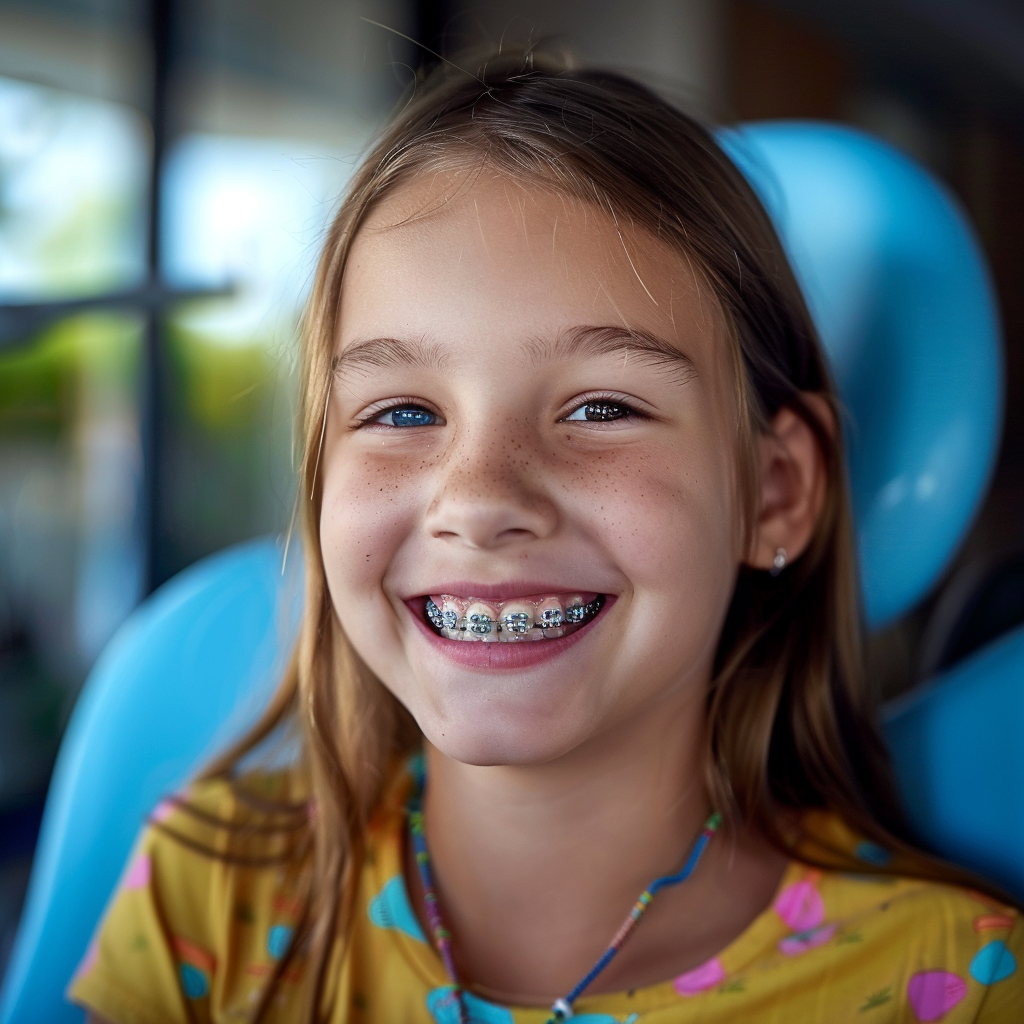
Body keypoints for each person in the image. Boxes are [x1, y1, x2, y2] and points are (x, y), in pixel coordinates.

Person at [71, 47, 1023, 1024]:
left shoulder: (951, 981)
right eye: (401, 412)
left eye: (600, 407)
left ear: (773, 489)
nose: (479, 499)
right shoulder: (205, 900)